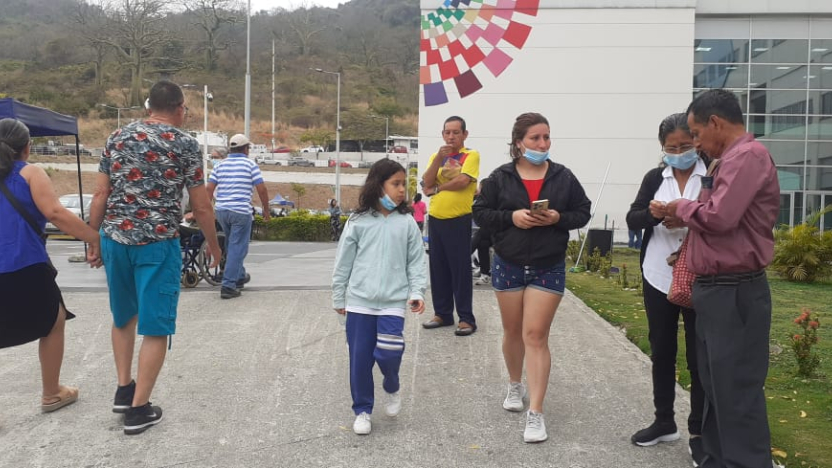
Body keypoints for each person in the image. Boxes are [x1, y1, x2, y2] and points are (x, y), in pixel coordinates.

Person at [652, 89, 780, 468]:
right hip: (716, 290)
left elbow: (720, 217)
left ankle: (745, 462)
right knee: (715, 385)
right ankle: (716, 458)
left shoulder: (747, 157)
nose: (695, 143)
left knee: (735, 388)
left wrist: (682, 207)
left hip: (734, 290)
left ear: (715, 123)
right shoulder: (727, 161)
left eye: (695, 133)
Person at [89, 80, 222, 435]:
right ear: (179, 108)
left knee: (123, 317)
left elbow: (100, 193)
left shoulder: (117, 137)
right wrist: (213, 245)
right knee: (156, 326)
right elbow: (201, 206)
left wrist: (92, 239)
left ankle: (124, 389)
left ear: (149, 106)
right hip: (157, 242)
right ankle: (138, 410)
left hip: (115, 239)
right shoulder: (185, 144)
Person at [473, 112, 591, 443]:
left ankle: (536, 413)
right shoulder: (501, 177)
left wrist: (557, 217)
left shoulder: (563, 177)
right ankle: (515, 384)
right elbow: (480, 211)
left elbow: (583, 211)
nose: (542, 144)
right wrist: (511, 217)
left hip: (547, 265)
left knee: (535, 335)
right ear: (518, 143)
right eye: (535, 138)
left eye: (546, 137)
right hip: (508, 263)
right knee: (513, 332)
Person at [0, 118, 101, 414]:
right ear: (27, 147)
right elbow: (55, 212)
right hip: (25, 261)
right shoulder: (30, 172)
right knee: (54, 319)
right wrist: (95, 238)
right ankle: (51, 393)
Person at [625, 113, 707, 465]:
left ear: (697, 142)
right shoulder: (654, 178)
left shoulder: (712, 173)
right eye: (671, 148)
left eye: (685, 146)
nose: (678, 153)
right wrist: (654, 215)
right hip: (658, 272)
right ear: (662, 148)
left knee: (699, 354)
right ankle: (664, 421)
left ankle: (699, 431)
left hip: (699, 275)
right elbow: (632, 217)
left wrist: (686, 217)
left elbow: (719, 217)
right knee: (662, 349)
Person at [332, 159, 427, 435]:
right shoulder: (358, 221)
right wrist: (339, 297)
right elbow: (343, 262)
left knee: (389, 352)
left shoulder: (407, 222)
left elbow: (416, 262)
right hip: (359, 302)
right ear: (378, 185)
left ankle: (391, 384)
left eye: (404, 184)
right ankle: (362, 410)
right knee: (359, 360)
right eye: (395, 184)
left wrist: (417, 291)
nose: (402, 190)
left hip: (392, 303)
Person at [421, 116, 480, 336]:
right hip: (436, 219)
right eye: (447, 132)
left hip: (458, 220)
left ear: (465, 134)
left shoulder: (470, 155)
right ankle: (442, 313)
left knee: (460, 270)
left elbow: (463, 181)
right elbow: (426, 182)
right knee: (438, 268)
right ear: (442, 134)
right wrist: (438, 158)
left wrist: (438, 189)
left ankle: (466, 318)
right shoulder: (436, 157)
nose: (451, 136)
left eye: (456, 132)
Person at [207, 134, 270, 299]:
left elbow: (209, 189)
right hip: (240, 211)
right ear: (246, 149)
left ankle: (239, 276)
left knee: (231, 244)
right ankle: (228, 285)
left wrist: (207, 210)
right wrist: (266, 209)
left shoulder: (220, 165)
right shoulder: (250, 165)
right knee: (238, 247)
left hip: (222, 211)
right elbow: (262, 189)